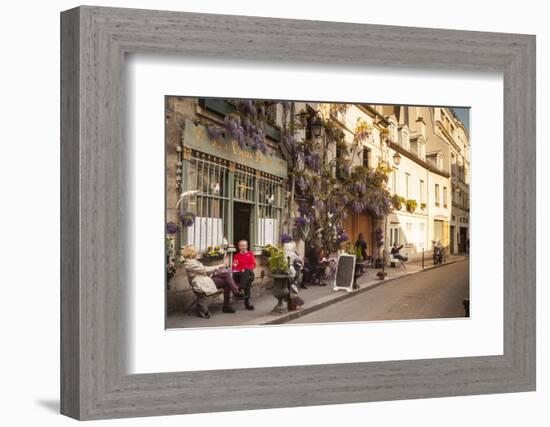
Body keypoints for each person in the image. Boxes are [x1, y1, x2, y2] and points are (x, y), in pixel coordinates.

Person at [182, 245, 240, 318]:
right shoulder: (189, 263)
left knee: (226, 275)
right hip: (201, 282)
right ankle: (231, 299)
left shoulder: (192, 261)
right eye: (195, 252)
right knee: (226, 281)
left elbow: (203, 269)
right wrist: (218, 266)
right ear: (191, 253)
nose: (197, 253)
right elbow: (203, 269)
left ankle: (234, 295)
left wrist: (215, 270)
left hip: (205, 278)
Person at [232, 240, 256, 310]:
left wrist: (246, 269)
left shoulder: (250, 254)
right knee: (247, 280)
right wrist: (241, 270)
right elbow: (234, 267)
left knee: (247, 272)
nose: (243, 247)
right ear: (239, 247)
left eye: (244, 245)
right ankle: (247, 303)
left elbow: (253, 264)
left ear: (247, 246)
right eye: (241, 246)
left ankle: (241, 289)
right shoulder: (236, 256)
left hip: (249, 273)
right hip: (240, 274)